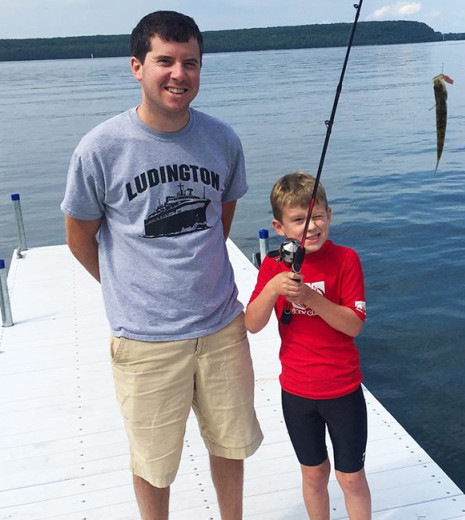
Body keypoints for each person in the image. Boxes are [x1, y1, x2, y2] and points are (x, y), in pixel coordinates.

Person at [60, 11, 262, 520]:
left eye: (190, 63)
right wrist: (130, 288)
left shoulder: (223, 140)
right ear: (137, 66)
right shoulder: (99, 149)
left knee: (230, 445)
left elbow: (220, 219)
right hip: (145, 339)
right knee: (153, 464)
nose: (179, 74)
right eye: (165, 61)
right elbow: (79, 239)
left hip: (222, 326)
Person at [244, 172, 372, 519]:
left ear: (330, 216)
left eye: (317, 216)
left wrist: (309, 297)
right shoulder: (273, 264)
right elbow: (252, 324)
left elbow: (354, 325)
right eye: (299, 220)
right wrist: (273, 288)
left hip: (343, 391)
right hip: (297, 392)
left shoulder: (346, 260)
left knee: (350, 476)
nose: (311, 227)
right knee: (314, 473)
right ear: (279, 227)